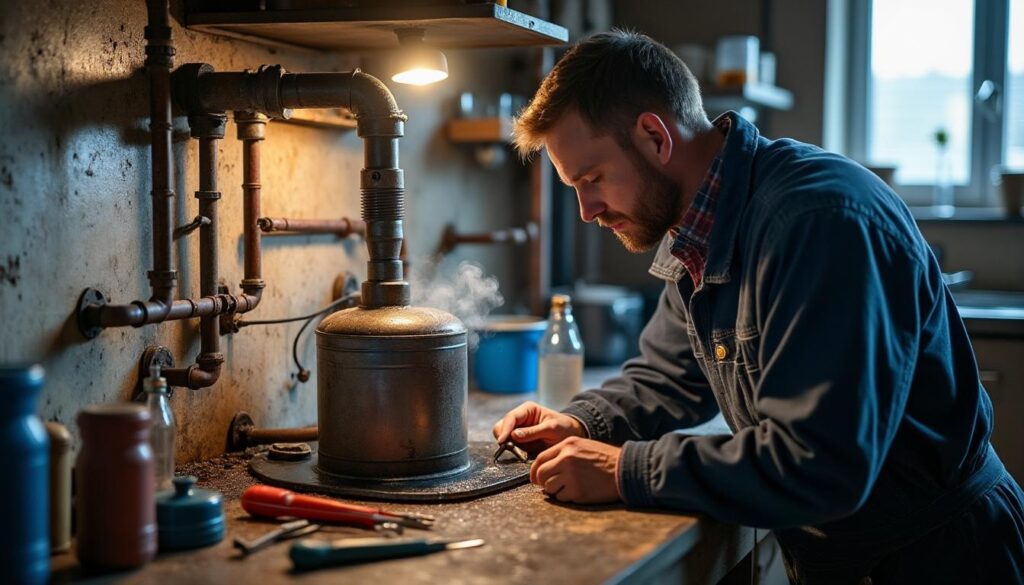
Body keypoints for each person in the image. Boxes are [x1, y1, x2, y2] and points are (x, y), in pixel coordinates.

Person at [492, 30, 1024, 584]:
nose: (586, 210)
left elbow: (817, 463)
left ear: (654, 136)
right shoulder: (693, 226)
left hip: (940, 559)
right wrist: (582, 421)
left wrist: (627, 470)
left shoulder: (818, 222)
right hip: (850, 556)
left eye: (592, 179)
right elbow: (668, 375)